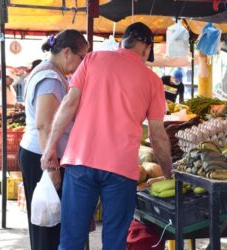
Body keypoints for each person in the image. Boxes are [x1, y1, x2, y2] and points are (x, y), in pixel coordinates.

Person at [40, 22, 172, 250]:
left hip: (81, 161)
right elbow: (157, 135)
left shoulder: (93, 59)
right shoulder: (152, 81)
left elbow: (69, 104)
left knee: (71, 239)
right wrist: (169, 173)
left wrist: (50, 146)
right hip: (121, 169)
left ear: (123, 42)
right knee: (114, 242)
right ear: (146, 48)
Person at [18, 29, 88, 250]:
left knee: (46, 223)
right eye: (82, 57)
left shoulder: (49, 73)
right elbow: (44, 125)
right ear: (67, 52)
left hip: (39, 154)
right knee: (48, 225)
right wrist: (52, 167)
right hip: (43, 157)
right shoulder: (50, 78)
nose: (82, 63)